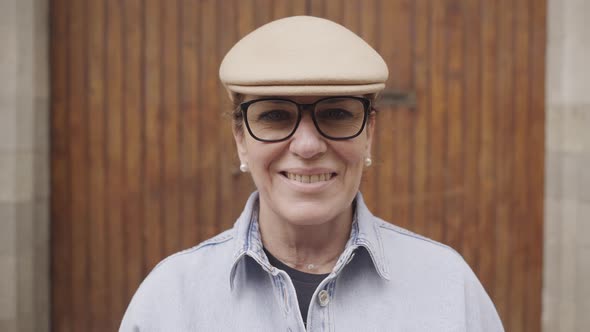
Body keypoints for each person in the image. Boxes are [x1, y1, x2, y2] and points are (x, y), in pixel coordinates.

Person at [120, 16, 504, 331]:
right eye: (274, 115)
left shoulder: (450, 290)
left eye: (336, 114)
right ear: (240, 139)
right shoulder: (169, 301)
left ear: (369, 133)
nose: (307, 146)